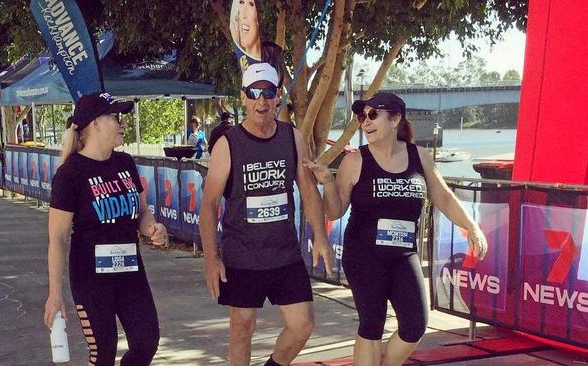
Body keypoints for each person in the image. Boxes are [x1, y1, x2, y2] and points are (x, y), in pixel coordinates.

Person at [303, 92, 488, 366]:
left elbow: (444, 196)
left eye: (373, 114)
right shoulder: (356, 161)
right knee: (371, 325)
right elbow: (335, 210)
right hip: (364, 255)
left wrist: (471, 226)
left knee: (415, 325)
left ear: (395, 118)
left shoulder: (419, 156)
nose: (365, 122)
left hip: (404, 255)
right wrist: (328, 182)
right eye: (361, 116)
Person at [200, 62, 334, 366]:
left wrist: (321, 237)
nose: (261, 101)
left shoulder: (292, 138)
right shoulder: (228, 144)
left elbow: (309, 191)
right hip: (242, 256)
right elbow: (208, 206)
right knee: (242, 328)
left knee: (303, 324)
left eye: (268, 93)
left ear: (277, 97)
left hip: (283, 253)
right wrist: (211, 258)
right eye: (254, 93)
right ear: (244, 97)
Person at [44, 92, 168, 366]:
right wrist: (55, 294)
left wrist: (153, 229)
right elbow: (58, 238)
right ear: (94, 124)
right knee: (103, 352)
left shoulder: (125, 164)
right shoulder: (70, 173)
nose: (122, 123)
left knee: (147, 341)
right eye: (115, 117)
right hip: (91, 279)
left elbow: (142, 212)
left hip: (130, 271)